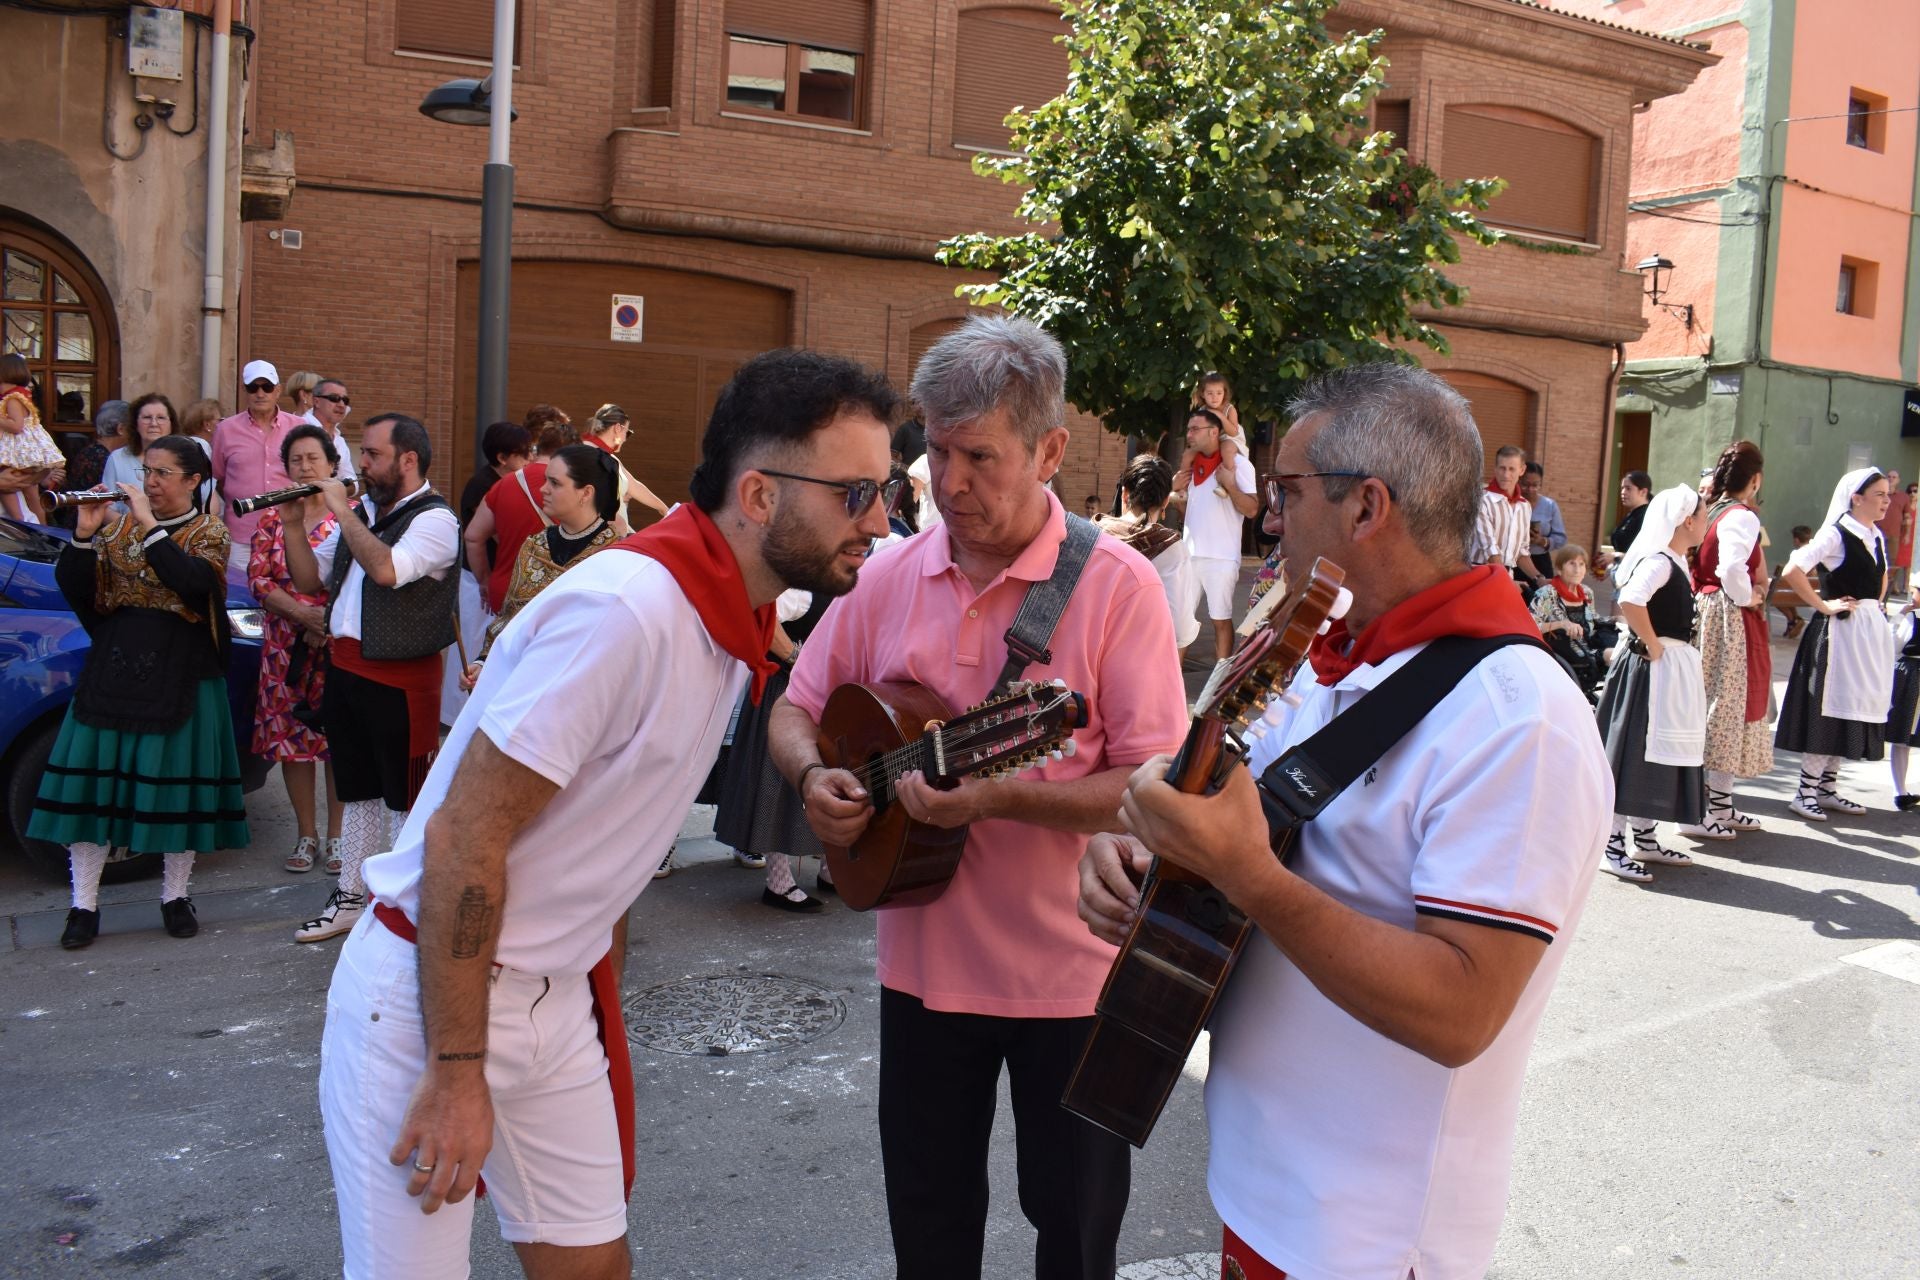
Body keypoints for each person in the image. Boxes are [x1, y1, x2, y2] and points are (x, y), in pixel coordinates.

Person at [318, 348, 897, 1277]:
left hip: (554, 999)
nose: (879, 518)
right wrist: (460, 1070)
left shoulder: (723, 617)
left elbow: (607, 844)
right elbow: (470, 834)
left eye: (885, 488)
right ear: (758, 497)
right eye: (857, 491)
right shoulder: (627, 611)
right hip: (430, 1006)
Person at [1076, 362, 1607, 1280]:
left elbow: (1461, 1009)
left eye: (1287, 492)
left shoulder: (1522, 718)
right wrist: (1144, 850)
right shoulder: (1321, 656)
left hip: (1371, 1236)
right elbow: (1242, 830)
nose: (1268, 516)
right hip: (1265, 1189)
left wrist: (1246, 874)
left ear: (1367, 508)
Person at [770, 316, 1189, 1280]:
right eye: (936, 451)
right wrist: (816, 778)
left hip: (1074, 979)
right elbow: (795, 709)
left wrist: (998, 802)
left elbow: (1150, 782)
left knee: (1077, 1236)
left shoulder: (1118, 588)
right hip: (919, 970)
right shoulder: (887, 576)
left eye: (979, 456)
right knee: (928, 1225)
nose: (948, 483)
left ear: (1050, 450)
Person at [26, 436, 249, 947]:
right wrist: (83, 536)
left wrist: (149, 523)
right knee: (93, 791)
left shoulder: (208, 532)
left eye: (164, 473)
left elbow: (192, 584)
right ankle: (83, 906)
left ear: (194, 481)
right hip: (117, 665)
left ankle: (175, 896)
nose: (151, 482)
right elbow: (78, 590)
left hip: (183, 672)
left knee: (173, 792)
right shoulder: (115, 526)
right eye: (148, 470)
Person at [280, 414, 461, 943]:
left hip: (403, 681)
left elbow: (387, 569)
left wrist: (339, 509)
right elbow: (309, 579)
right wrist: (294, 522)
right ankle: (352, 898)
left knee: (405, 796)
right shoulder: (362, 512)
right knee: (357, 790)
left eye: (373, 454)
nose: (361, 464)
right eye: (362, 453)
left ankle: (403, 905)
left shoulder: (436, 520)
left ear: (408, 460)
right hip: (346, 669)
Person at [1594, 486, 1710, 879]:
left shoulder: (1675, 561)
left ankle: (1644, 839)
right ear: (1688, 521)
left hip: (1666, 670)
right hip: (1649, 671)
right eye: (1704, 515)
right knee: (1633, 755)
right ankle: (1610, 846)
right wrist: (1652, 643)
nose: (1707, 522)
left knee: (1655, 755)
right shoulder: (1660, 562)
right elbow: (1631, 599)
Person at [249, 425, 348, 875]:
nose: (305, 467)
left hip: (334, 642)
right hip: (284, 647)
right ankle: (306, 833)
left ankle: (338, 837)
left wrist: (322, 621)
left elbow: (356, 578)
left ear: (332, 464)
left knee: (337, 741)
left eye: (313, 459)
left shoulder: (349, 516)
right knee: (293, 742)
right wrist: (301, 615)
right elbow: (259, 579)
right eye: (296, 460)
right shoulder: (272, 517)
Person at [1775, 468, 1897, 820]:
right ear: (1856, 497)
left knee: (1852, 707)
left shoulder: (1874, 535)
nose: (1887, 500)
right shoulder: (1837, 533)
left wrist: (1873, 612)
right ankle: (1805, 791)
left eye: (1888, 494)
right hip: (1839, 634)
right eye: (1880, 494)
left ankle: (1827, 787)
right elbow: (1794, 569)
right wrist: (1823, 605)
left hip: (1865, 632)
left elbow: (1881, 581)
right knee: (1827, 709)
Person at [713, 586, 839, 911]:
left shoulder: (853, 569)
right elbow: (762, 620)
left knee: (834, 772)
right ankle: (779, 882)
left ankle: (831, 871)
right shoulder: (798, 582)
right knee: (776, 784)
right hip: (786, 691)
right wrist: (797, 659)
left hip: (826, 690)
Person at [464, 444, 622, 678]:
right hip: (527, 678)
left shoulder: (617, 553)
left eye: (555, 483)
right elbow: (510, 618)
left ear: (586, 493)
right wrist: (483, 662)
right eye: (546, 480)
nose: (543, 489)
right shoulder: (534, 545)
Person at [1684, 441, 1772, 842]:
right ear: (1754, 480)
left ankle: (1716, 803)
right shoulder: (1741, 515)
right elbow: (1731, 566)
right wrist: (1746, 596)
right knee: (1726, 707)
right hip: (1727, 617)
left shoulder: (1715, 509)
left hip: (1706, 609)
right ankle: (1710, 806)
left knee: (1716, 704)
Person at [446, 420, 533, 726]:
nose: (531, 459)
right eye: (524, 453)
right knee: (474, 651)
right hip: (477, 581)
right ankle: (464, 719)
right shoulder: (484, 486)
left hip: (489, 578)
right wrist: (485, 581)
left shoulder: (506, 483)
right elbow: (487, 537)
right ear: (502, 457)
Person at [465, 415, 581, 614]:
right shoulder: (577, 489)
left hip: (506, 592)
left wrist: (484, 581)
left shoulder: (502, 485)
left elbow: (473, 537)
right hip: (553, 594)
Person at [1173, 406, 1259, 662]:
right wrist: (1177, 493)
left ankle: (1219, 682)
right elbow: (1190, 512)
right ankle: (1173, 683)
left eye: (1195, 429)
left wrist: (1230, 484)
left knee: (1220, 619)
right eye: (1188, 429)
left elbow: (1252, 509)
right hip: (1189, 555)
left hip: (1221, 557)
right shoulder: (1191, 465)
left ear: (1213, 432)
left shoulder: (1239, 464)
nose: (1189, 434)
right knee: (1181, 621)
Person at [1096, 452, 1199, 650]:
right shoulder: (1171, 548)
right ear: (1165, 502)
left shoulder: (1090, 534)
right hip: (1137, 657)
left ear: (1125, 494)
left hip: (1084, 657)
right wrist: (1194, 629)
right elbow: (1179, 631)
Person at [212, 359, 303, 575]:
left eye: (267, 387)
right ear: (245, 391)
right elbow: (218, 476)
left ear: (278, 391)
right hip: (242, 533)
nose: (260, 393)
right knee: (241, 600)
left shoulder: (299, 428)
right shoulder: (226, 430)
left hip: (288, 531)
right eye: (253, 387)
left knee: (290, 594)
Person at [1531, 544, 1605, 696]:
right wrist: (1561, 624)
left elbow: (1595, 619)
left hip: (1589, 648)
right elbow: (1530, 626)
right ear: (1559, 569)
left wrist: (1618, 619)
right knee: (1615, 656)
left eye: (1581, 564)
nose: (1577, 569)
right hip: (1567, 653)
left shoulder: (1586, 592)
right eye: (1571, 563)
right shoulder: (1547, 594)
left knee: (1621, 651)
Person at [0, 353, 66, 522]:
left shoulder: (12, 399)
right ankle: (29, 525)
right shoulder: (20, 396)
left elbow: (16, 426)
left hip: (19, 453)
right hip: (24, 454)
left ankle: (31, 526)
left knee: (24, 488)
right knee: (21, 489)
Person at [582, 403, 671, 524]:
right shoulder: (587, 453)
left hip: (616, 533)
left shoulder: (610, 457)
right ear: (618, 428)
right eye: (627, 433)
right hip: (602, 534)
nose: (624, 439)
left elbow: (635, 486)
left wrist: (664, 509)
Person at [1471, 444, 1542, 589]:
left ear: (1522, 470)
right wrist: (1506, 582)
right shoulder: (1481, 500)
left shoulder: (1524, 507)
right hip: (1479, 577)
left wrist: (1539, 578)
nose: (1506, 474)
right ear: (1495, 469)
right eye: (1502, 468)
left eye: (1511, 469)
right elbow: (1489, 548)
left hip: (1507, 577)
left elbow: (1522, 552)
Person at [1888, 587, 1920, 810]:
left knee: (1904, 736)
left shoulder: (1912, 617)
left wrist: (1899, 615)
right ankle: (1900, 791)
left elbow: (1893, 646)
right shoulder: (1913, 617)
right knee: (1904, 736)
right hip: (1911, 677)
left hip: (1911, 676)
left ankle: (1900, 791)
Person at [1519, 460, 1566, 579]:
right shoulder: (1512, 503)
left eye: (1535, 485)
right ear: (1518, 481)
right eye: (1525, 484)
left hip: (1541, 561)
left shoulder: (1550, 505)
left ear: (1541, 484)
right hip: (1515, 562)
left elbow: (1560, 538)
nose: (1530, 489)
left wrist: (1542, 541)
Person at [308, 376, 358, 483]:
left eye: (345, 400)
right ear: (316, 401)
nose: (341, 405)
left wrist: (335, 489)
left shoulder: (340, 441)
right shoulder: (299, 428)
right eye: (334, 398)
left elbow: (353, 482)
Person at [1192, 371, 1246, 466]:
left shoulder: (1229, 409)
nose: (1214, 397)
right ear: (1202, 394)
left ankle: (1229, 474)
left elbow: (1233, 432)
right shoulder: (1202, 411)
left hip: (1230, 438)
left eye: (1219, 393)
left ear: (1224, 393)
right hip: (1211, 439)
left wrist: (1220, 415)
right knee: (1190, 451)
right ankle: (1188, 475)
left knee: (1227, 450)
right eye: (1210, 393)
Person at [1770, 525, 1815, 638]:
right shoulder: (1816, 552)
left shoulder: (1797, 554)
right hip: (1811, 592)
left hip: (1797, 592)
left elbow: (1789, 573)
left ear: (1796, 540)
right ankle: (1795, 619)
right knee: (1784, 591)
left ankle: (1792, 620)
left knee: (1774, 594)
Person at [1876, 469, 1908, 595]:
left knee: (1892, 561)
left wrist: (1906, 534)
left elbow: (1907, 516)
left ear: (1898, 480)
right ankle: (1878, 586)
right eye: (1889, 476)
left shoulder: (1903, 497)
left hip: (1894, 534)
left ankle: (1890, 586)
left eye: (1894, 477)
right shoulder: (1879, 494)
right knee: (1877, 559)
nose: (1891, 479)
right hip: (1877, 532)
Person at [1611, 469, 1653, 554]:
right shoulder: (1632, 515)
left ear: (1643, 492)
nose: (1623, 492)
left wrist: (1618, 557)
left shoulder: (1648, 516)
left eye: (1628, 488)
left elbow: (1646, 553)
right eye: (1622, 488)